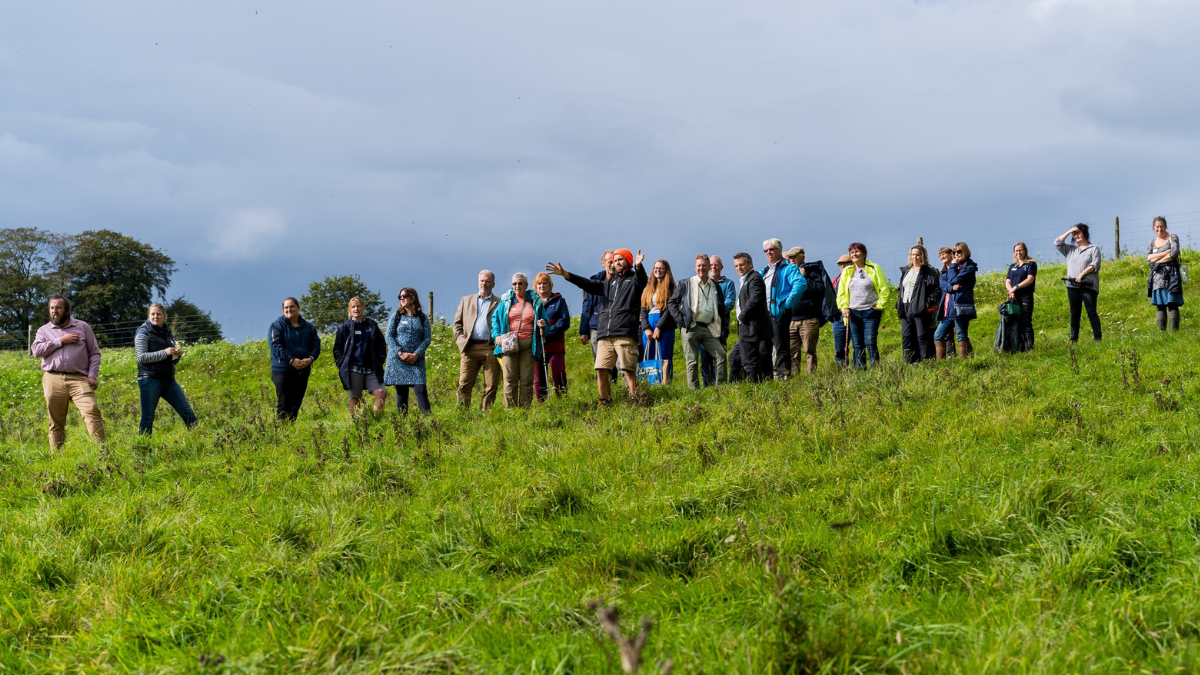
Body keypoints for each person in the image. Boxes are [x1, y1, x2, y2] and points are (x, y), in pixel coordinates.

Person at [546, 248, 647, 406]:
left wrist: (639, 266)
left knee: (628, 370)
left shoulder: (633, 281)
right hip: (605, 335)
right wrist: (565, 274)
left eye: (621, 259)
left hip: (624, 334)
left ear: (628, 261)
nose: (617, 262)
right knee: (601, 369)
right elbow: (587, 284)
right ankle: (604, 402)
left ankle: (635, 400)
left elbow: (642, 281)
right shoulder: (608, 284)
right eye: (615, 260)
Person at [31, 295, 106, 449]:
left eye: (58, 308)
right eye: (52, 308)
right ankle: (58, 458)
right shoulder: (44, 330)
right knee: (56, 421)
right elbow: (36, 351)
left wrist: (92, 375)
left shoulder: (83, 327)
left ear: (67, 310)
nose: (54, 311)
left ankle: (102, 453)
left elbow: (94, 353)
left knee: (91, 410)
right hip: (53, 377)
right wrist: (60, 341)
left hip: (79, 378)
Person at [135, 303, 199, 435]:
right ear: (148, 316)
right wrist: (165, 352)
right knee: (148, 417)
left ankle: (202, 441)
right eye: (153, 314)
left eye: (158, 314)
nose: (155, 316)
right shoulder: (143, 332)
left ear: (165, 316)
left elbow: (172, 361)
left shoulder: (168, 334)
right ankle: (142, 448)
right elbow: (141, 357)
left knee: (187, 412)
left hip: (168, 380)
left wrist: (176, 356)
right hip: (149, 378)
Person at [668, 254, 728, 389]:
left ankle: (721, 388)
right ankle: (694, 392)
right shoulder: (685, 284)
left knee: (721, 355)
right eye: (699, 266)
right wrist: (681, 321)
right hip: (691, 326)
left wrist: (723, 329)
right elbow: (672, 303)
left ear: (709, 267)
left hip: (709, 328)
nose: (702, 268)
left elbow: (721, 308)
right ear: (695, 268)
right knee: (692, 361)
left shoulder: (715, 286)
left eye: (704, 265)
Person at [491, 273, 548, 409]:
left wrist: (542, 324)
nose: (517, 286)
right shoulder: (506, 301)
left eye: (520, 283)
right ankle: (510, 412)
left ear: (526, 285)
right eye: (514, 284)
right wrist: (497, 336)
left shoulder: (535, 301)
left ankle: (524, 411)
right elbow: (495, 319)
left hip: (528, 345)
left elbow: (545, 322)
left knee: (526, 380)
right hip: (508, 344)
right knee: (510, 379)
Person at [836, 243, 893, 369]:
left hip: (870, 312)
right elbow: (842, 293)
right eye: (852, 252)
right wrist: (844, 308)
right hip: (853, 312)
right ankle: (861, 371)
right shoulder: (847, 271)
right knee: (857, 344)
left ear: (864, 254)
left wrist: (879, 305)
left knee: (870, 342)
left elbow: (884, 288)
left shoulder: (874, 268)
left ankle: (875, 370)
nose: (854, 254)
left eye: (857, 252)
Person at [452, 270, 502, 410]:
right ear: (478, 282)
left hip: (490, 348)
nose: (484, 283)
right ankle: (462, 414)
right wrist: (461, 341)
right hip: (469, 347)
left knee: (491, 385)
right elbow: (457, 324)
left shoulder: (500, 302)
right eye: (482, 280)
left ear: (493, 284)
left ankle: (485, 414)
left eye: (487, 281)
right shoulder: (466, 300)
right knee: (464, 383)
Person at [333, 297, 388, 416]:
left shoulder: (372, 325)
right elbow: (337, 349)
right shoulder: (345, 327)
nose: (356, 309)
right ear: (350, 310)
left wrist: (379, 360)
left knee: (381, 393)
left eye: (358, 306)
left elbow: (381, 345)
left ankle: (376, 421)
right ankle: (357, 425)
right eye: (353, 307)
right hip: (353, 369)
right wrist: (342, 364)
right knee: (355, 398)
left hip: (371, 368)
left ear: (363, 308)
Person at [269, 296, 321, 421]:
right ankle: (280, 430)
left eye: (292, 306)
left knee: (296, 402)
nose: (289, 309)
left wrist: (310, 359)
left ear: (298, 308)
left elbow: (316, 345)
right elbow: (276, 346)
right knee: (284, 400)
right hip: (282, 368)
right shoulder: (276, 326)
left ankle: (290, 430)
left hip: (302, 368)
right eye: (286, 307)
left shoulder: (309, 328)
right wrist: (291, 360)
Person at [760, 239, 806, 378]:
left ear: (780, 250)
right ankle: (767, 379)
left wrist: (786, 304)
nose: (769, 252)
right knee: (764, 348)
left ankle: (784, 378)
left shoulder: (789, 268)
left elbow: (800, 284)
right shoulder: (765, 271)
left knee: (781, 347)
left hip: (779, 313)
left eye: (772, 249)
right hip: (764, 315)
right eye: (766, 250)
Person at [385, 288, 433, 415]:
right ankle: (402, 426)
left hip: (416, 360)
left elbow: (427, 338)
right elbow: (389, 336)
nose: (402, 298)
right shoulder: (397, 316)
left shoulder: (422, 318)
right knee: (402, 394)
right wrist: (400, 353)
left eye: (404, 296)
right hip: (398, 360)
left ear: (413, 298)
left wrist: (417, 353)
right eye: (400, 296)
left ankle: (429, 422)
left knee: (420, 389)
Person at [786, 247, 830, 375]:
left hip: (809, 318)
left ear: (802, 257)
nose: (791, 260)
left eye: (794, 257)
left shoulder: (812, 271)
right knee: (792, 352)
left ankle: (812, 378)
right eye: (789, 257)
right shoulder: (788, 273)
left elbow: (820, 290)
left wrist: (804, 278)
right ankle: (795, 378)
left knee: (809, 350)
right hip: (792, 320)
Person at [1055, 224, 1103, 342]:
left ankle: (1098, 337)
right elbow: (1057, 242)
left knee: (1091, 312)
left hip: (1088, 285)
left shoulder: (1094, 248)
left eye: (1078, 233)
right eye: (1074, 234)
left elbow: (1095, 264)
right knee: (1074, 313)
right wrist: (1070, 230)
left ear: (1085, 234)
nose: (1076, 236)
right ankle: (1073, 339)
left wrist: (1082, 274)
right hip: (1072, 286)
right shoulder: (1070, 249)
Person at [895, 245, 941, 364]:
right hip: (905, 306)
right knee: (907, 335)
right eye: (912, 254)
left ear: (923, 256)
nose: (915, 257)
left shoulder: (928, 271)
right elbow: (901, 289)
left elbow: (936, 290)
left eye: (917, 255)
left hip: (920, 307)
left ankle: (926, 361)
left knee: (922, 335)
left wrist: (927, 303)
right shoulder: (906, 271)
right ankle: (909, 362)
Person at [733, 252, 772, 382]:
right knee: (735, 358)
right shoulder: (746, 279)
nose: (739, 268)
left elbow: (755, 298)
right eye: (736, 266)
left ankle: (754, 389)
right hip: (748, 328)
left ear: (750, 264)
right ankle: (738, 387)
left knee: (750, 361)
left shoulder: (754, 278)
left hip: (752, 328)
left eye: (742, 264)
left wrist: (742, 316)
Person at [936, 243, 978, 358]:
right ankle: (941, 365)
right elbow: (943, 283)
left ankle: (964, 363)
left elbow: (954, 279)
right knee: (938, 334)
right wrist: (951, 288)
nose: (956, 254)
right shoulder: (954, 268)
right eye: (954, 252)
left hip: (961, 305)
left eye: (958, 251)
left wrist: (953, 267)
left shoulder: (968, 267)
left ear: (965, 251)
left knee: (961, 334)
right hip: (948, 308)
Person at [701, 255, 738, 385]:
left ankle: (720, 385)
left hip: (720, 327)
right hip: (703, 327)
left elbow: (729, 303)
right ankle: (707, 386)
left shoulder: (728, 284)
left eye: (716, 265)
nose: (713, 267)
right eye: (710, 265)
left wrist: (710, 309)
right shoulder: (702, 283)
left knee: (719, 357)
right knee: (705, 359)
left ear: (721, 267)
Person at [533, 272, 570, 401]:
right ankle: (542, 405)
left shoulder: (559, 300)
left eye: (545, 283)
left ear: (550, 285)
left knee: (558, 373)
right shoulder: (532, 303)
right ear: (535, 286)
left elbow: (564, 322)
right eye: (539, 283)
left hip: (555, 344)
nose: (542, 286)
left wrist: (548, 333)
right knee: (539, 378)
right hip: (538, 345)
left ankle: (562, 401)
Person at [640, 259, 677, 381]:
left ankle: (664, 381)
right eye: (656, 268)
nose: (658, 270)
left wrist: (659, 327)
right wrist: (645, 327)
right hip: (649, 323)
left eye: (661, 268)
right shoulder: (648, 287)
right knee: (649, 354)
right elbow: (643, 308)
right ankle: (650, 382)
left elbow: (669, 310)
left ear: (666, 270)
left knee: (663, 354)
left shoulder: (671, 287)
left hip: (664, 324)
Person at [1146, 217, 1183, 332]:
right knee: (1160, 305)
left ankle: (1174, 334)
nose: (1159, 229)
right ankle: (1162, 335)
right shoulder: (1152, 243)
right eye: (1157, 227)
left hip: (1172, 276)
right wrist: (1165, 252)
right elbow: (1148, 257)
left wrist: (1157, 261)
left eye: (1161, 226)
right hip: (1157, 278)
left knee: (1172, 303)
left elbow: (1174, 253)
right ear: (1153, 229)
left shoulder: (1173, 238)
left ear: (1165, 226)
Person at [1005, 242, 1038, 350]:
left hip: (1025, 297)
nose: (1018, 253)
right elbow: (1008, 281)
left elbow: (1030, 279)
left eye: (1020, 250)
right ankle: (1018, 348)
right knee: (1015, 322)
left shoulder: (1031, 264)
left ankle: (1029, 348)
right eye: (1016, 251)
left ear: (1025, 250)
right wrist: (1011, 290)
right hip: (1013, 297)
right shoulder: (1013, 266)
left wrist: (1016, 287)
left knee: (1026, 322)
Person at [933, 247, 958, 359]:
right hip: (946, 305)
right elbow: (943, 287)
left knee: (960, 332)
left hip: (957, 304)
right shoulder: (941, 272)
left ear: (951, 254)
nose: (942, 257)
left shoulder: (958, 268)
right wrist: (951, 288)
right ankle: (950, 356)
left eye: (944, 254)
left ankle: (967, 356)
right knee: (946, 333)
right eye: (940, 255)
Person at [830, 255, 852, 366]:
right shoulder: (837, 279)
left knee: (858, 344)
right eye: (840, 264)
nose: (842, 266)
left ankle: (858, 368)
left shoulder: (854, 277)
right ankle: (841, 369)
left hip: (853, 314)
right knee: (840, 346)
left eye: (845, 263)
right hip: (838, 316)